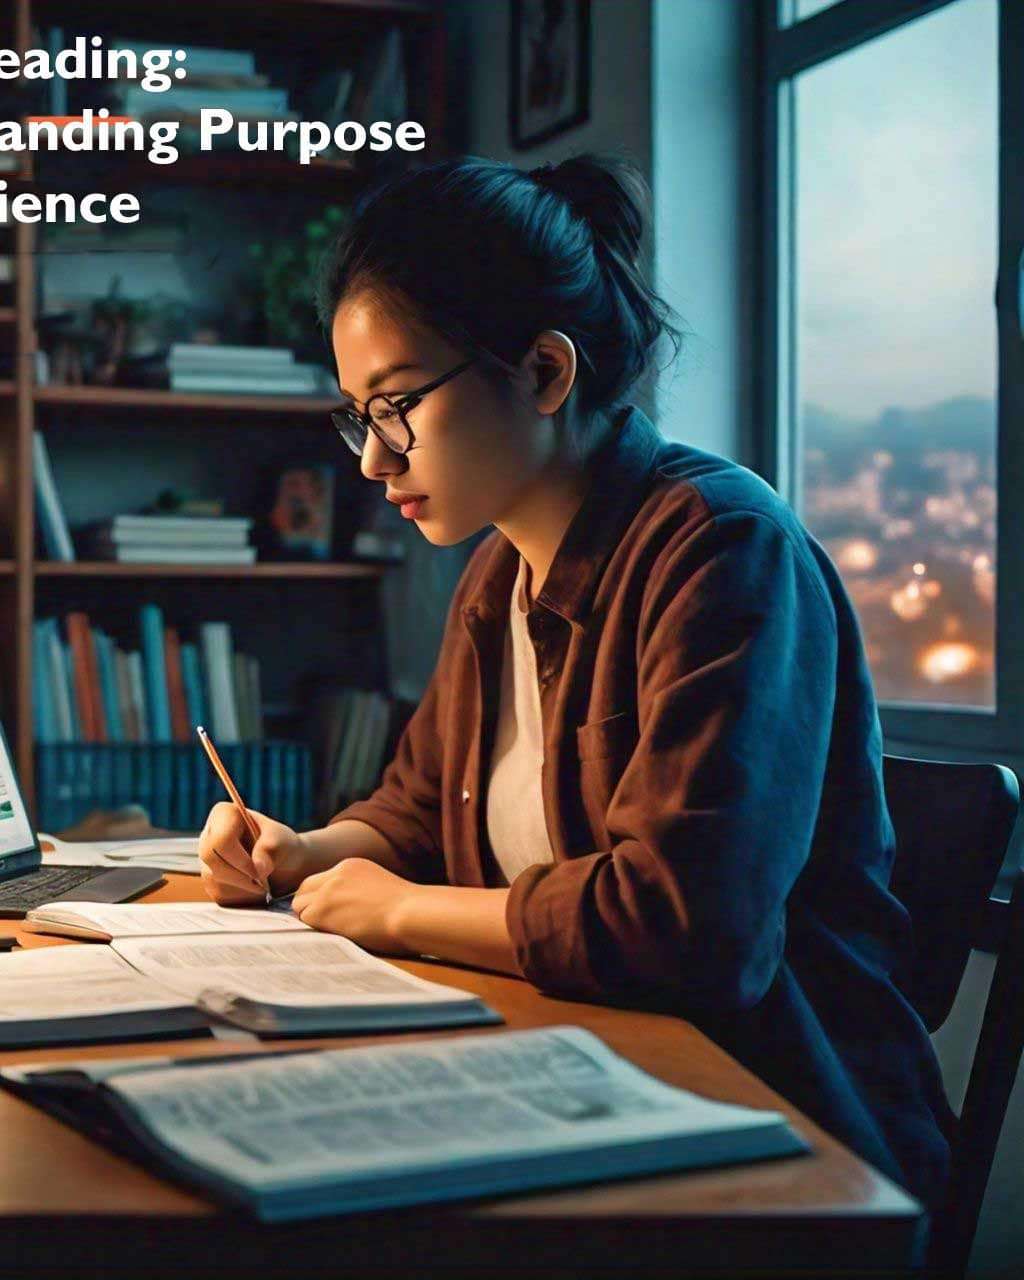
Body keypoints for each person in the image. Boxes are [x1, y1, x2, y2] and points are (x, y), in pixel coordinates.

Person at [198, 152, 954, 1206]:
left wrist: (400, 911)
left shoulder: (721, 549)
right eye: (356, 415)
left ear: (545, 373)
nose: (371, 460)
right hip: (568, 1074)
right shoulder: (496, 569)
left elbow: (687, 929)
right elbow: (417, 810)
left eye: (397, 404)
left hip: (774, 1132)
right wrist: (308, 852)